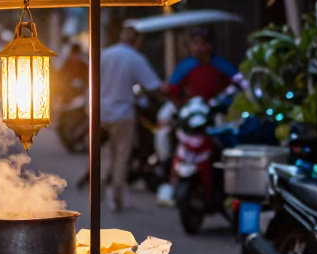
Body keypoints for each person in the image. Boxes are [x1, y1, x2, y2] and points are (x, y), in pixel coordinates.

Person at [99, 25, 164, 212]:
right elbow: (152, 85)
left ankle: (99, 190)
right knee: (121, 156)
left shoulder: (106, 54)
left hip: (102, 113)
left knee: (105, 154)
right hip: (123, 114)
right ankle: (117, 199)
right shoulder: (135, 58)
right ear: (137, 41)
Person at [168, 27, 239, 104]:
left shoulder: (221, 64)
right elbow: (173, 87)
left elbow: (237, 82)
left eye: (199, 43)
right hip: (192, 107)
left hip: (218, 106)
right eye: (193, 43)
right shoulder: (185, 65)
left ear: (209, 45)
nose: (195, 48)